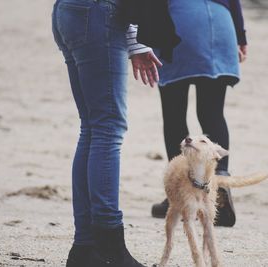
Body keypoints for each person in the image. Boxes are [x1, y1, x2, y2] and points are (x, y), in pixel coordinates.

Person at [51, 0, 161, 266]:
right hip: (99, 13)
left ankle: (85, 247)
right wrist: (137, 37)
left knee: (92, 128)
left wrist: (135, 40)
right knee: (107, 129)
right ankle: (109, 244)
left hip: (68, 10)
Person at [151, 0, 248, 227]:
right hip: (221, 25)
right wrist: (241, 37)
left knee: (174, 113)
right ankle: (219, 185)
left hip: (179, 23)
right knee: (212, 113)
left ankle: (178, 193)